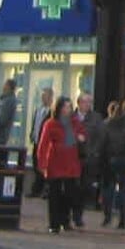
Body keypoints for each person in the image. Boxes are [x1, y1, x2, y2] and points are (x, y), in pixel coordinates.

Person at [35, 95, 84, 234]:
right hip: (55, 162)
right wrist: (42, 163)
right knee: (54, 194)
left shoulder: (74, 122)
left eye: (70, 106)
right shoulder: (51, 123)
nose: (68, 109)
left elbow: (82, 133)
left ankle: (65, 220)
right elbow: (43, 144)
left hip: (71, 162)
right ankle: (54, 223)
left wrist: (81, 137)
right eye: (66, 106)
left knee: (69, 194)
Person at [98, 100, 125, 228]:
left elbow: (102, 144)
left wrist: (100, 159)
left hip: (109, 160)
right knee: (123, 189)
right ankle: (123, 218)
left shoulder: (106, 124)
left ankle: (107, 216)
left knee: (108, 189)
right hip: (124, 160)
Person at [77, 94, 105, 224]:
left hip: (88, 157)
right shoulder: (72, 117)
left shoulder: (96, 118)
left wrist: (94, 152)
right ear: (79, 103)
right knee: (73, 187)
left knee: (85, 186)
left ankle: (79, 215)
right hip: (73, 157)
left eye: (90, 102)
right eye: (85, 102)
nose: (88, 105)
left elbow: (101, 137)